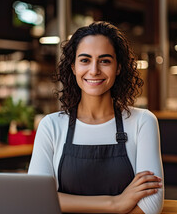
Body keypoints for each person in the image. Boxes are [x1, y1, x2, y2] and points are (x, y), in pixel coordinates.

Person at [28, 22, 164, 214]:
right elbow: (36, 198)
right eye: (85, 60)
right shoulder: (51, 126)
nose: (94, 70)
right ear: (73, 67)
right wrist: (115, 204)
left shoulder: (142, 122)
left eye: (105, 61)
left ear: (118, 68)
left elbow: (151, 204)